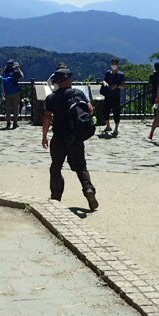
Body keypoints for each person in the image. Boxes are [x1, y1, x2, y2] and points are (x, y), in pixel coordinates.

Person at [42, 68, 99, 210]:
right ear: (68, 80)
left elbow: (47, 117)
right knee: (81, 167)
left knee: (56, 167)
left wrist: (44, 136)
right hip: (76, 137)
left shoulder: (52, 98)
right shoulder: (78, 93)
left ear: (57, 82)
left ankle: (56, 198)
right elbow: (90, 109)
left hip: (59, 137)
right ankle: (88, 189)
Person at [100, 58, 126, 136]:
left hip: (116, 96)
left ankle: (116, 129)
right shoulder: (108, 73)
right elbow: (104, 80)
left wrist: (116, 86)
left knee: (116, 113)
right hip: (108, 95)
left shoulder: (121, 75)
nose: (113, 65)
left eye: (115, 64)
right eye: (112, 64)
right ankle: (108, 126)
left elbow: (123, 86)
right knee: (105, 111)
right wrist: (105, 83)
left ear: (118, 65)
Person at [1, 59, 24, 129]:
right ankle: (15, 123)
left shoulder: (5, 73)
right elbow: (22, 76)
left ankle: (8, 123)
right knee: (16, 108)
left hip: (7, 92)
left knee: (7, 109)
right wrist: (18, 69)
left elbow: (3, 82)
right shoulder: (16, 71)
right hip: (16, 92)